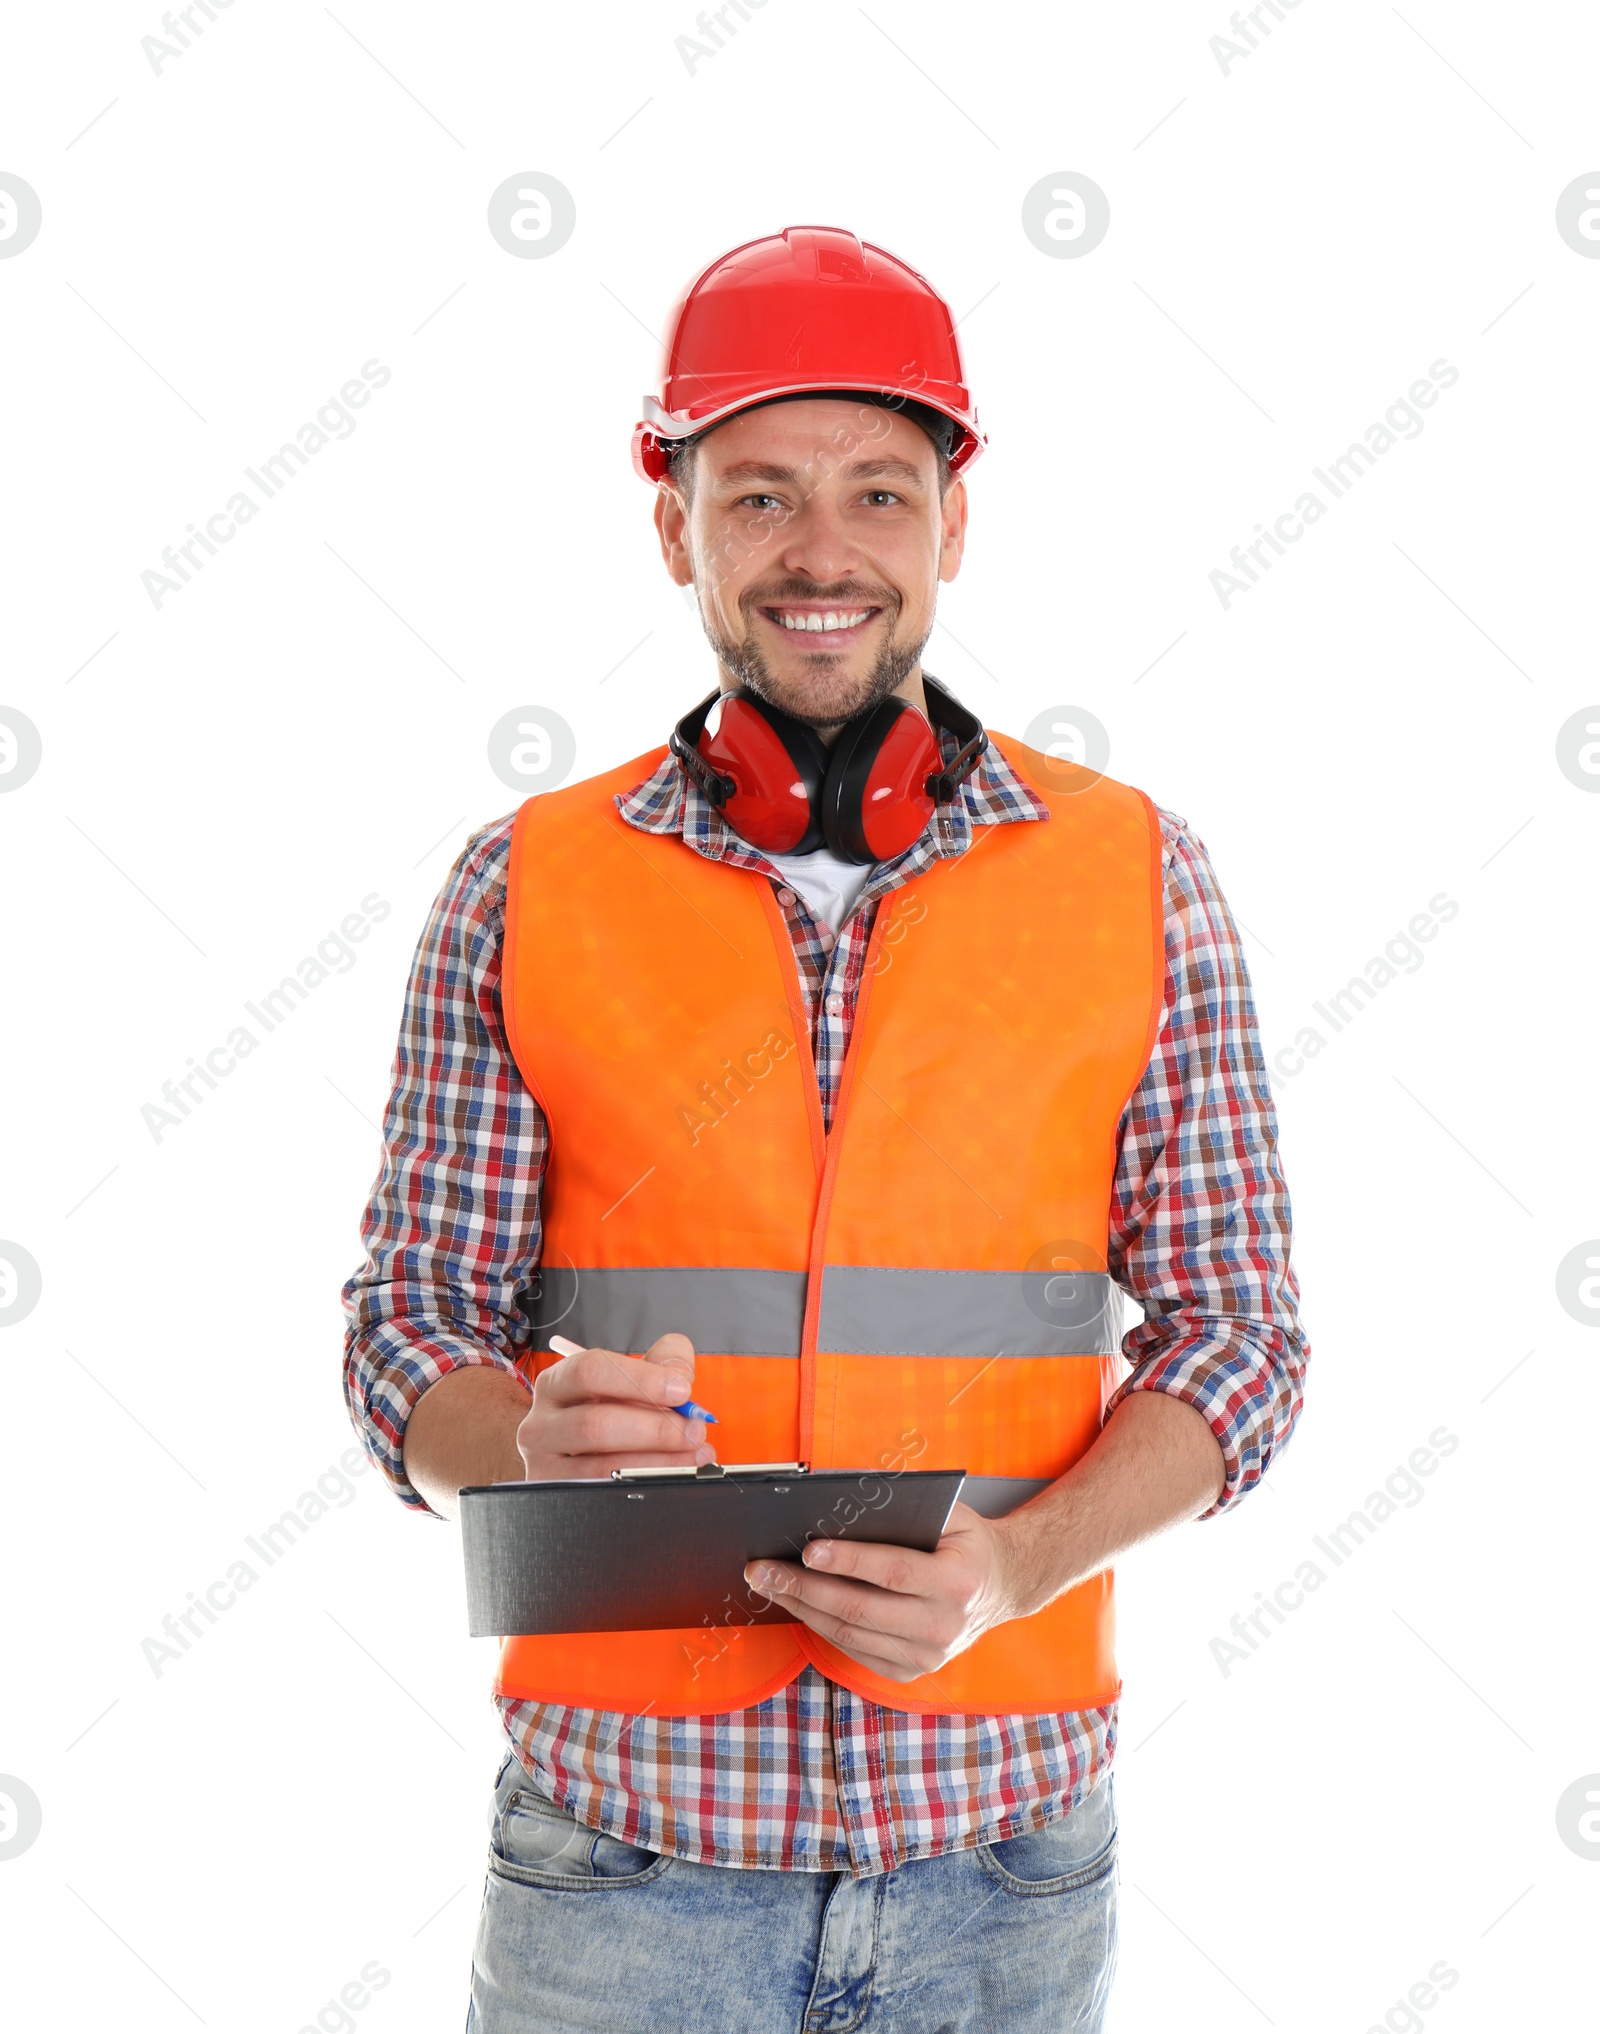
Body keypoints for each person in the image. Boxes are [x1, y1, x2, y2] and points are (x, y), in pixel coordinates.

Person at [341, 224, 1309, 2033]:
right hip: (624, 1850)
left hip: (1003, 1856)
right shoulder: (523, 884)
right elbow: (405, 1335)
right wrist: (519, 1438)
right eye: (760, 493)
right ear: (674, 526)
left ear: (953, 521)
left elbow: (1245, 1340)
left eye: (877, 488)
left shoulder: (1134, 876)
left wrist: (1016, 1564)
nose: (822, 550)